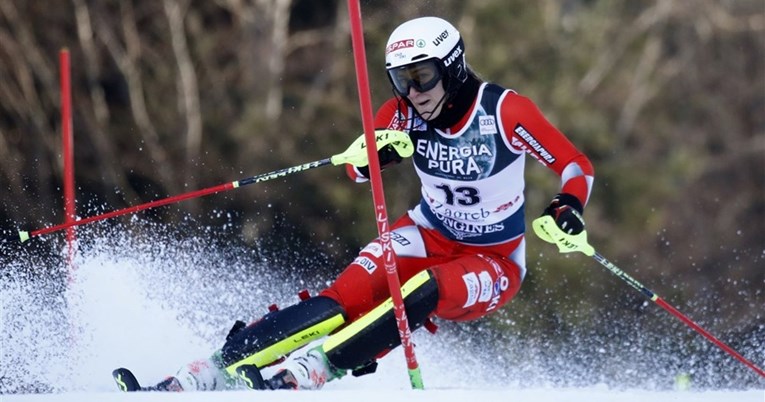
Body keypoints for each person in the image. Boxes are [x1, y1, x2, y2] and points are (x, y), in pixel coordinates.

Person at [113, 15, 594, 392]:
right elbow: (356, 165)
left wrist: (566, 206)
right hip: (425, 234)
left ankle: (313, 369)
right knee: (339, 302)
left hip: (492, 259)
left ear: (452, 66)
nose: (413, 93)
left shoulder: (503, 110)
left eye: (422, 77)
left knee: (423, 290)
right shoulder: (402, 113)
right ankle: (208, 371)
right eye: (401, 80)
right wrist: (375, 155)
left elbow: (575, 164)